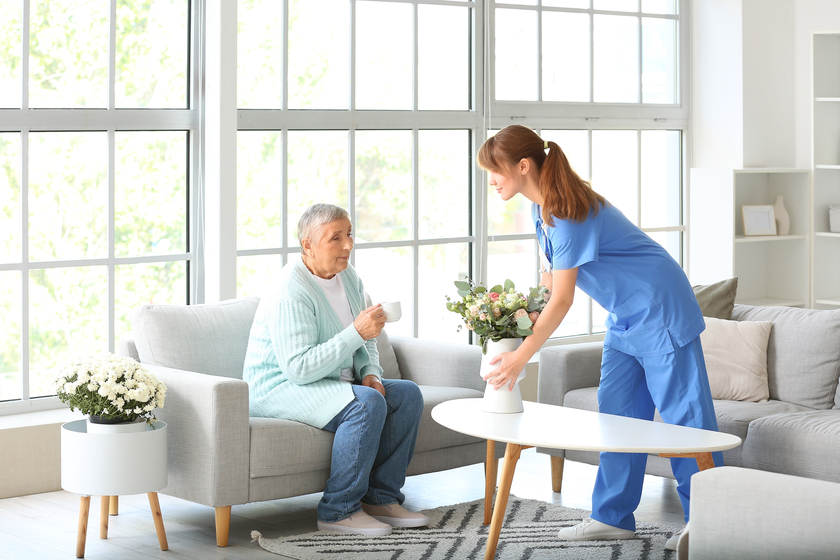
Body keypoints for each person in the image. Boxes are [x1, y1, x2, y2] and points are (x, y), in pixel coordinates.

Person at [477, 125, 723, 551]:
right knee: (617, 417)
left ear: (522, 165)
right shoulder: (542, 210)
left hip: (659, 308)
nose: (492, 180)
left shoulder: (568, 213)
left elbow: (564, 300)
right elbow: (551, 282)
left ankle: (709, 523)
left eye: (494, 170)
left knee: (687, 423)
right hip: (625, 315)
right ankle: (612, 517)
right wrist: (521, 317)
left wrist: (522, 355)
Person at [242, 203, 429, 536]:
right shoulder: (291, 291)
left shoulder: (348, 277)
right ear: (308, 245)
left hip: (325, 381)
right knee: (365, 403)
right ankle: (337, 511)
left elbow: (366, 337)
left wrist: (371, 373)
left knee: (406, 394)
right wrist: (356, 333)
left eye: (349, 234)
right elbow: (299, 368)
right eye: (335, 238)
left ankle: (380, 498)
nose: (348, 245)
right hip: (280, 387)